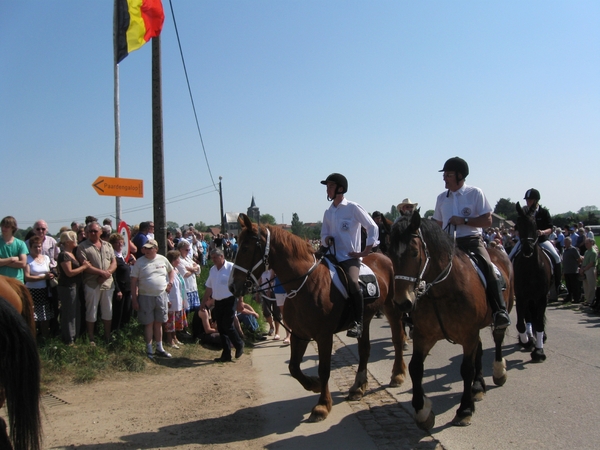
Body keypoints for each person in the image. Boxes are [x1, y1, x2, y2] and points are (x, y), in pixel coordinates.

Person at [432, 157, 510, 329]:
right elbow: (437, 225)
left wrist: (464, 220)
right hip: (447, 244)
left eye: (448, 174)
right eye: (444, 175)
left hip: (471, 242)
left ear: (460, 176)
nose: (444, 178)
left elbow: (487, 220)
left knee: (489, 268)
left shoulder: (475, 193)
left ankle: (499, 311)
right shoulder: (441, 198)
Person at [318, 173, 379, 338]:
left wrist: (366, 251)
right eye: (327, 187)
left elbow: (372, 227)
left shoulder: (353, 208)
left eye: (330, 186)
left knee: (352, 282)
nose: (327, 190)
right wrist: (326, 239)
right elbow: (323, 235)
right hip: (330, 256)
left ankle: (358, 323)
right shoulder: (328, 212)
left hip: (348, 257)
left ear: (340, 189)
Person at [509, 189, 563, 297]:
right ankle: (509, 284)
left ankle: (559, 285)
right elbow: (516, 228)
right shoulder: (523, 213)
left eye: (530, 200)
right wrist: (517, 232)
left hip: (542, 240)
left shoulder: (543, 212)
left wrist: (542, 232)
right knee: (509, 257)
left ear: (536, 200)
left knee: (556, 257)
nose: (528, 202)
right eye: (527, 200)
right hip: (526, 241)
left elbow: (550, 228)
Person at [130, 239, 176, 359]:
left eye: (150, 248)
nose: (147, 250)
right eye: (146, 248)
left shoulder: (162, 259)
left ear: (156, 249)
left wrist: (170, 283)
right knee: (148, 323)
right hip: (145, 296)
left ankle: (159, 347)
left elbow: (171, 271)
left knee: (159, 322)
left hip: (161, 295)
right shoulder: (139, 262)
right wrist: (134, 299)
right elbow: (133, 281)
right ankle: (149, 349)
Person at [200, 248, 244, 362]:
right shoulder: (212, 270)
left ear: (222, 256)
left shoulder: (231, 268)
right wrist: (203, 302)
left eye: (215, 257)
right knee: (221, 327)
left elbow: (239, 285)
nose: (213, 259)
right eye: (212, 257)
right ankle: (226, 354)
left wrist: (240, 301)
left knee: (227, 325)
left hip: (230, 299)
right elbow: (209, 288)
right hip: (218, 301)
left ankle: (239, 344)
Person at [77, 221, 116, 345]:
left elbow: (114, 262)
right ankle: (91, 338)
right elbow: (85, 265)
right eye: (90, 231)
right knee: (91, 311)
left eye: (95, 231)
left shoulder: (108, 245)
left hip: (107, 283)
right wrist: (101, 272)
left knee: (107, 310)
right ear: (87, 233)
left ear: (100, 232)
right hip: (91, 283)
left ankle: (107, 335)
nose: (93, 233)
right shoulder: (82, 246)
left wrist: (106, 274)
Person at [56, 231, 90, 344]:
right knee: (69, 313)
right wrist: (84, 267)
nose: (76, 240)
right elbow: (69, 272)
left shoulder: (72, 254)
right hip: (67, 287)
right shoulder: (64, 255)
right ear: (67, 242)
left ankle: (75, 336)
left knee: (75, 312)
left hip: (75, 286)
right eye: (74, 238)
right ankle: (69, 339)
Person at [24, 235, 55, 339]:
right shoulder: (27, 259)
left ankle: (45, 338)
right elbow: (27, 277)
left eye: (39, 246)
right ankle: (32, 338)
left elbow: (49, 271)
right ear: (30, 247)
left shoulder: (46, 258)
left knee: (45, 316)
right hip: (32, 291)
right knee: (32, 317)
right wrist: (43, 277)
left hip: (45, 290)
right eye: (35, 247)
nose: (38, 249)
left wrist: (51, 275)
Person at [108, 233, 133, 331]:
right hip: (120, 288)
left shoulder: (122, 256)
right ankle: (115, 331)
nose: (120, 245)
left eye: (121, 243)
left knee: (127, 311)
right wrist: (117, 290)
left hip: (127, 287)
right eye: (117, 243)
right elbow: (114, 275)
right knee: (118, 312)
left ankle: (124, 330)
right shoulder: (113, 257)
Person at [165, 250, 187, 348]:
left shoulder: (176, 270)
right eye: (178, 258)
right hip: (171, 299)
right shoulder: (168, 271)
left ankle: (175, 337)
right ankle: (170, 340)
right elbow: (166, 286)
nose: (179, 260)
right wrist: (167, 299)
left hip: (178, 298)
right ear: (174, 260)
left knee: (175, 320)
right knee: (170, 321)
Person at [176, 240, 201, 314]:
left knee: (195, 309)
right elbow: (185, 274)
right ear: (181, 249)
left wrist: (192, 269)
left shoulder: (188, 258)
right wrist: (194, 270)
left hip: (193, 287)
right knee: (185, 310)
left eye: (189, 250)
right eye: (186, 250)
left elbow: (198, 267)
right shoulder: (179, 260)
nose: (188, 251)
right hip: (186, 288)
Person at [0, 216, 28, 282]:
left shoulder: (21, 244)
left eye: (6, 227)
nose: (3, 229)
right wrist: (11, 259)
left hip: (17, 281)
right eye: (2, 226)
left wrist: (3, 262)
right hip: (2, 282)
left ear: (13, 228)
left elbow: (23, 263)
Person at [562, 236, 582, 303]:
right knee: (568, 286)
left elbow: (579, 259)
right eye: (564, 242)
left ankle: (576, 298)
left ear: (570, 242)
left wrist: (577, 265)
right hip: (567, 271)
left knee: (574, 286)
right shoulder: (565, 250)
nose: (565, 244)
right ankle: (569, 298)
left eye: (566, 242)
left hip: (573, 271)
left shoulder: (573, 249)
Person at [580, 238, 598, 308]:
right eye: (585, 243)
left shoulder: (593, 252)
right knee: (586, 286)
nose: (586, 245)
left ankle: (591, 300)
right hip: (585, 269)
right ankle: (587, 300)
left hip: (590, 269)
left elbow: (591, 263)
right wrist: (581, 269)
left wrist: (584, 269)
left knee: (591, 286)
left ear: (591, 243)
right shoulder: (587, 251)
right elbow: (584, 261)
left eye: (587, 243)